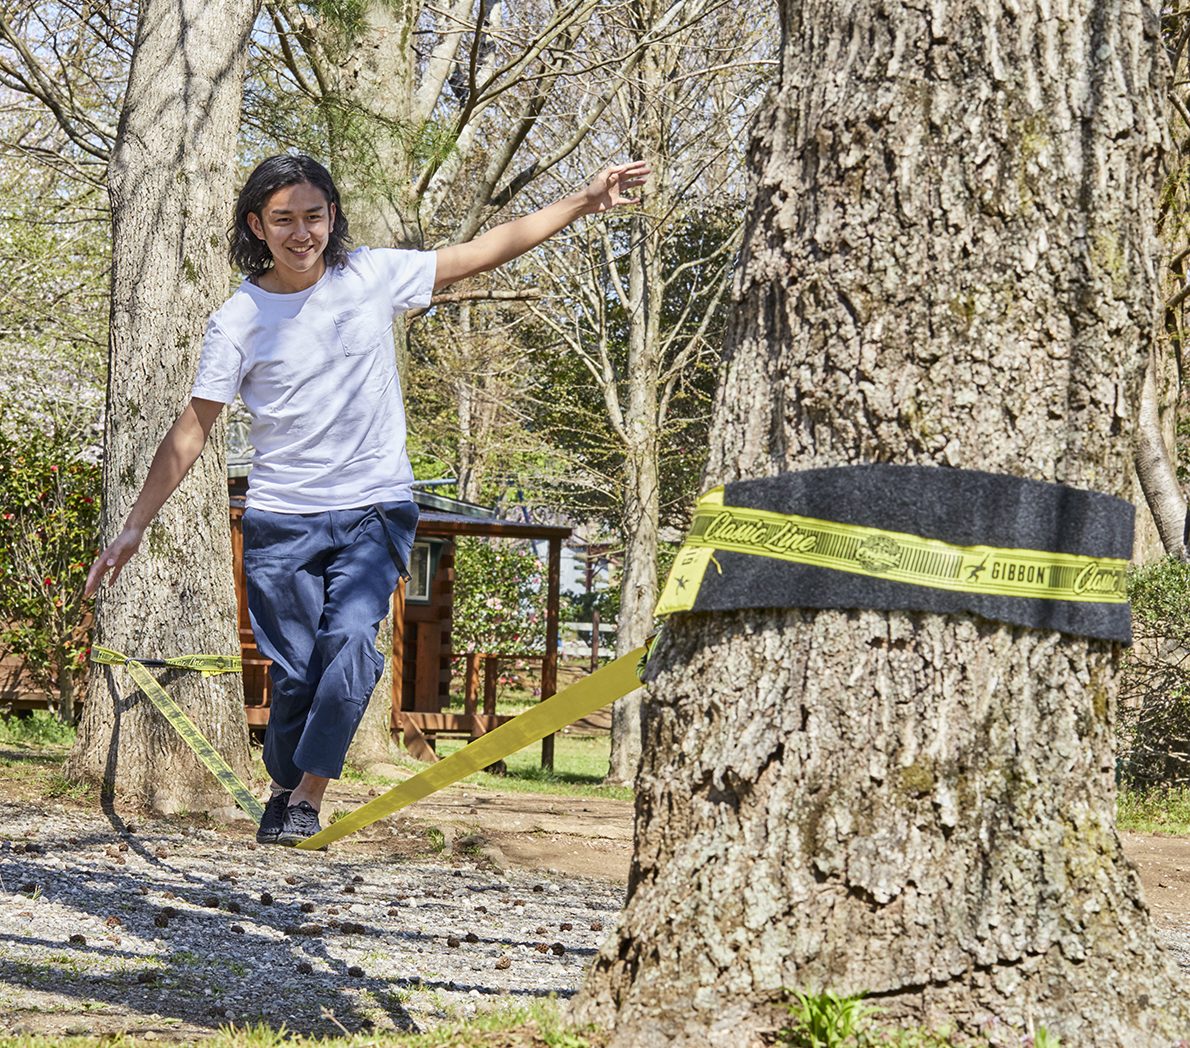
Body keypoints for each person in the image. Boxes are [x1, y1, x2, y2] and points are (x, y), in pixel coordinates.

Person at [84, 153, 650, 846]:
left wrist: (583, 202)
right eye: (284, 219)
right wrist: (135, 525)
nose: (301, 233)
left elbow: (481, 252)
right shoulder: (239, 318)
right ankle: (285, 783)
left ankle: (305, 800)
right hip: (281, 520)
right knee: (295, 674)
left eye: (314, 217)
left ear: (332, 218)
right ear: (256, 225)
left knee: (351, 642)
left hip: (374, 507)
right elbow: (193, 428)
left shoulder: (371, 276)